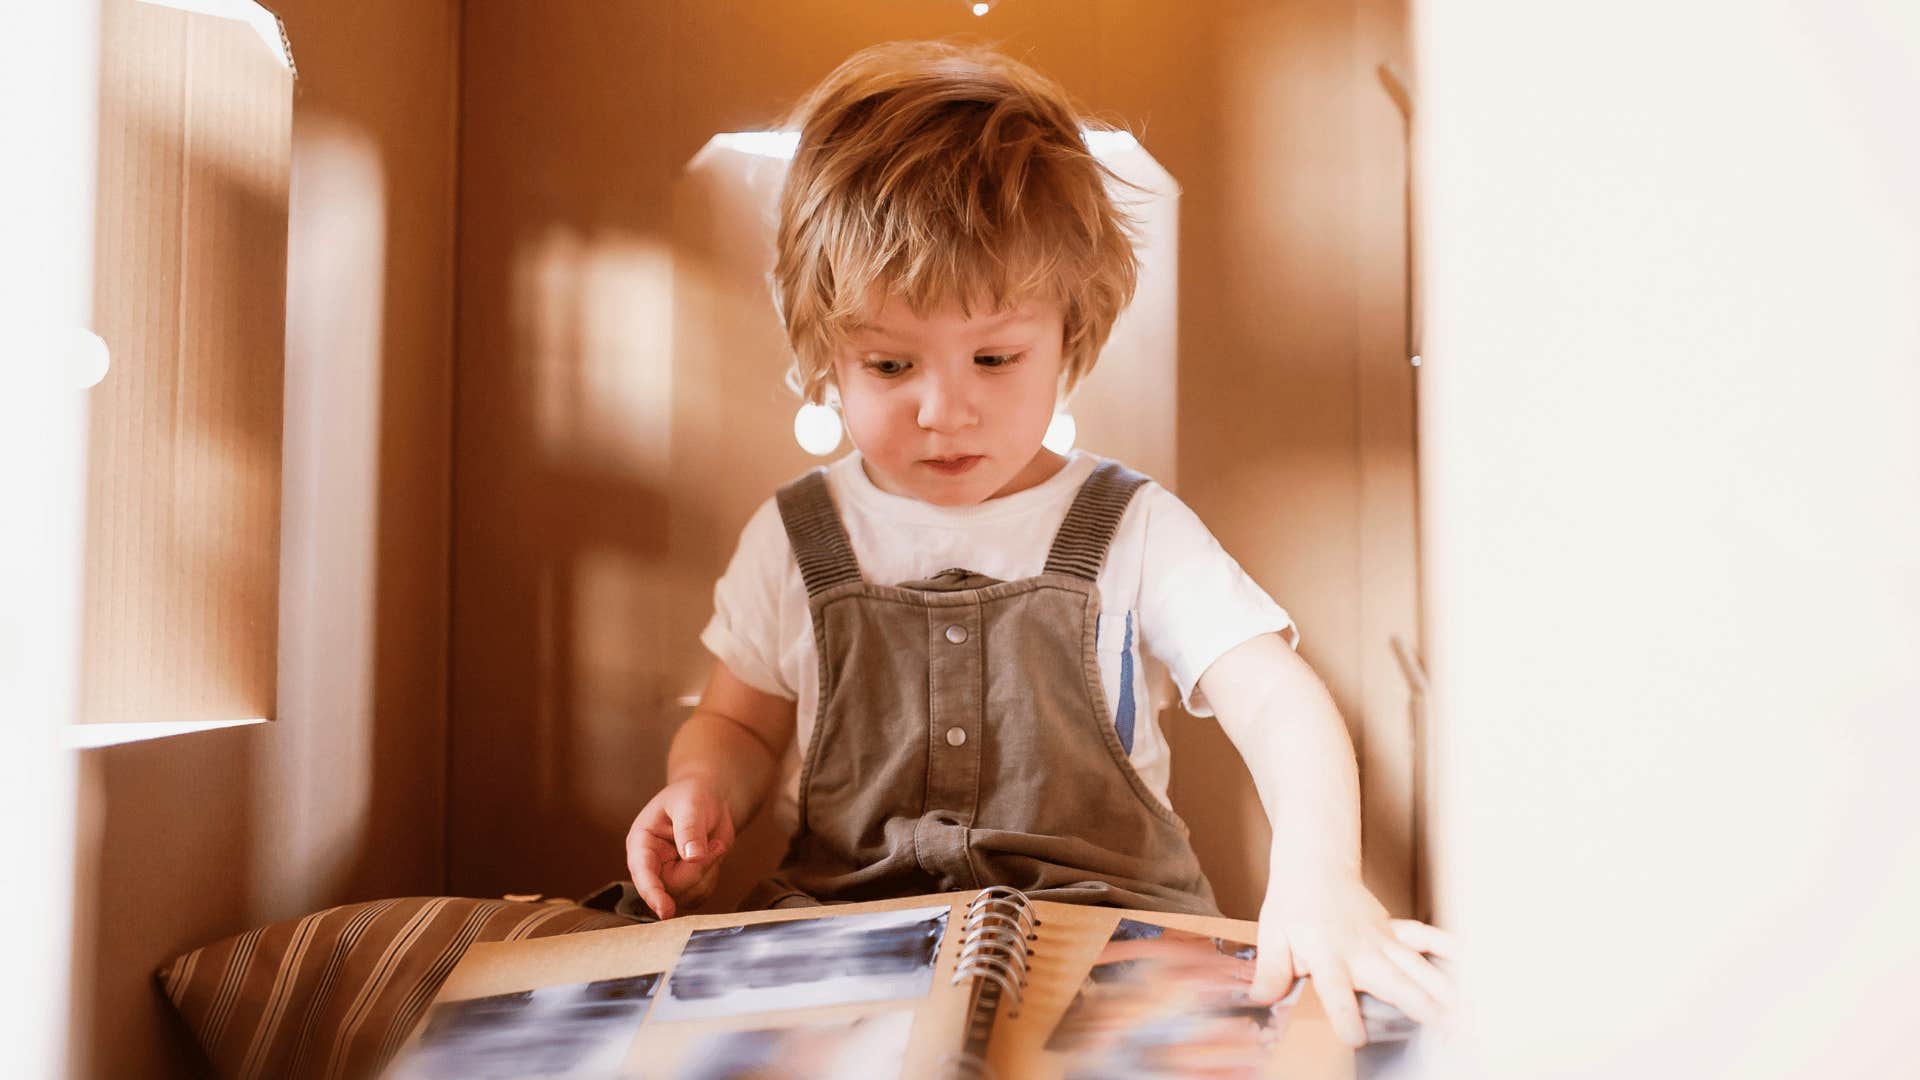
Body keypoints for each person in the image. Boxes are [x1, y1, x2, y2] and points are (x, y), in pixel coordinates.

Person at [624, 39, 1454, 1047]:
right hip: (852, 942)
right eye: (889, 363)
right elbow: (739, 724)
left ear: (1073, 335)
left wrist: (1322, 878)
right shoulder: (798, 538)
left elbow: (1279, 700)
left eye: (995, 357)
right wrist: (702, 790)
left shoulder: (1128, 527)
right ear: (822, 347)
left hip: (1113, 949)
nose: (943, 409)